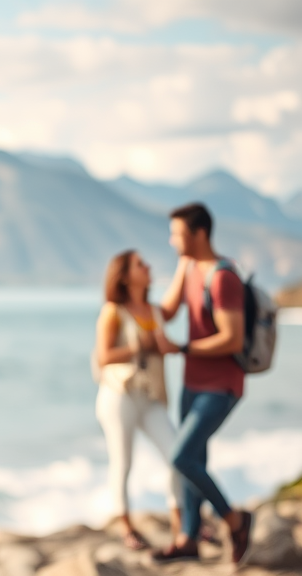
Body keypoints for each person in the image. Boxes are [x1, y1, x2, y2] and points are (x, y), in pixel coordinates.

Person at [153, 202, 252, 563]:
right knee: (194, 458)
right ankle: (189, 538)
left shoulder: (224, 277)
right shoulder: (191, 267)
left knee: (181, 457)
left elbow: (232, 338)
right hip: (192, 383)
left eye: (177, 234)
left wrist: (182, 348)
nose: (172, 240)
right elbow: (166, 312)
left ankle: (235, 520)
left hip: (221, 386)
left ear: (200, 234)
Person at [94, 250, 183, 551]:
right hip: (120, 394)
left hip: (151, 395)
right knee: (123, 462)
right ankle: (126, 528)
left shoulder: (154, 311)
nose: (147, 267)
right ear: (124, 276)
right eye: (140, 265)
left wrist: (185, 264)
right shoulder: (114, 311)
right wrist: (139, 347)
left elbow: (174, 305)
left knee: (177, 456)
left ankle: (180, 524)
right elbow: (103, 356)